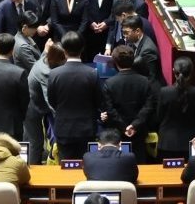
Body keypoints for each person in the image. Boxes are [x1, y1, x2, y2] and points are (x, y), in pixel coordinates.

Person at [48, 31, 104, 161]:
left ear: (64, 50)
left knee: (66, 168)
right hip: (87, 129)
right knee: (86, 166)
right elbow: (99, 101)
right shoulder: (92, 73)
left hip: (63, 129)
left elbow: (52, 101)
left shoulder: (54, 74)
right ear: (82, 49)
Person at [100, 45, 157, 163]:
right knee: (140, 163)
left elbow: (110, 110)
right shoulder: (145, 81)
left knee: (118, 163)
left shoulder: (109, 83)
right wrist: (134, 125)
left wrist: (124, 127)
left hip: (117, 133)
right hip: (139, 131)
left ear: (115, 62)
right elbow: (148, 107)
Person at [155, 57, 195, 161]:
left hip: (166, 143)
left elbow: (159, 117)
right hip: (189, 143)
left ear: (174, 71)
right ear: (191, 73)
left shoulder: (164, 91)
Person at [24, 42, 65, 165]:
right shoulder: (46, 72)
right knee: (35, 142)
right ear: (57, 59)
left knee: (30, 139)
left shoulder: (46, 58)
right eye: (64, 59)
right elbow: (50, 101)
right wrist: (64, 118)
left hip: (35, 103)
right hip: (32, 108)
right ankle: (35, 176)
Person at [121, 14, 165, 87]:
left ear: (137, 31)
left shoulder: (148, 50)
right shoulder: (131, 41)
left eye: (126, 32)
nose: (124, 36)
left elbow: (151, 79)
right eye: (123, 33)